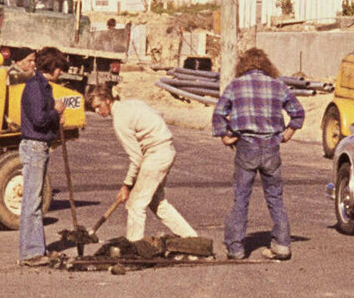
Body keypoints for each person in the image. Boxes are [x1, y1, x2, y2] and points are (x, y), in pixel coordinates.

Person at [211, 47, 304, 261]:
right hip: (272, 146)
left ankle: (236, 248)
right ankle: (282, 245)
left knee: (241, 198)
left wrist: (224, 136)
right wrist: (288, 132)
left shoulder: (235, 86)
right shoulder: (278, 86)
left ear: (243, 65)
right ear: (267, 65)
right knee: (275, 197)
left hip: (246, 145)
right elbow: (298, 112)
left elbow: (219, 113)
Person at [86, 83, 197, 244]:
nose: (97, 111)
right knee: (156, 201)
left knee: (135, 205)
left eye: (98, 106)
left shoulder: (120, 120)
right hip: (166, 150)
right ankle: (191, 238)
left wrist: (126, 185)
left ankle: (134, 246)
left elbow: (136, 158)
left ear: (108, 100)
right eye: (93, 109)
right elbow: (157, 115)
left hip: (155, 155)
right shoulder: (131, 104)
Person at [17, 46, 67, 266]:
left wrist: (55, 118)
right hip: (35, 146)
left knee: (35, 200)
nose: (61, 73)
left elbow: (43, 118)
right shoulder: (36, 87)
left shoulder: (42, 86)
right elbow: (39, 119)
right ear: (52, 67)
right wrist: (55, 112)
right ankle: (30, 252)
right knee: (32, 201)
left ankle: (36, 248)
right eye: (60, 68)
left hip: (39, 146)